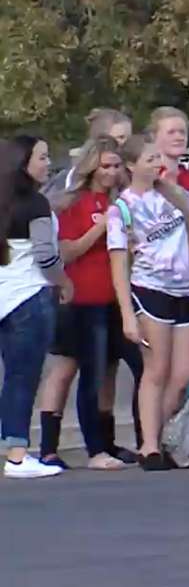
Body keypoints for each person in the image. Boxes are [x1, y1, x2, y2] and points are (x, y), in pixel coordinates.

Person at [108, 133, 189, 471]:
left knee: (184, 372)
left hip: (184, 290)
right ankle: (150, 446)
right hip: (150, 288)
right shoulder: (122, 208)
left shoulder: (177, 198)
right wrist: (128, 314)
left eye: (159, 157)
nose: (158, 163)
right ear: (132, 164)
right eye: (150, 158)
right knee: (156, 369)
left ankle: (160, 432)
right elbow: (119, 263)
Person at [36, 136, 138, 471]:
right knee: (87, 373)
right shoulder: (74, 203)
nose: (110, 173)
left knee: (110, 371)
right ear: (92, 167)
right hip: (83, 299)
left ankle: (107, 441)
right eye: (105, 166)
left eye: (116, 166)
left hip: (114, 297)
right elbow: (67, 251)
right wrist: (101, 229)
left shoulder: (123, 201)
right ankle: (92, 448)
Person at [1, 136, 73, 479]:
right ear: (23, 162)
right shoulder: (34, 204)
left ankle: (13, 448)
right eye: (42, 157)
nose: (47, 163)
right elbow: (45, 254)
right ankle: (16, 454)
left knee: (12, 377)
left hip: (4, 296)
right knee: (22, 378)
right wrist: (63, 280)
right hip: (31, 297)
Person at [149, 106, 189, 198]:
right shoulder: (146, 176)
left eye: (182, 132)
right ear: (153, 136)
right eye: (171, 132)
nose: (179, 137)